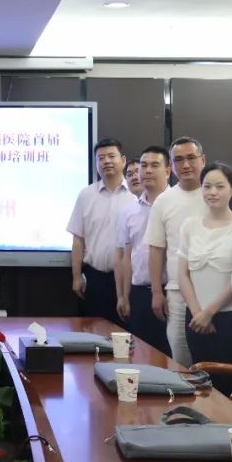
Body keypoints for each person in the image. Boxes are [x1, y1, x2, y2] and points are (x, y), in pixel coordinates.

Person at [147, 136, 232, 368]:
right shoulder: (164, 201)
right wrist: (157, 292)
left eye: (191, 157)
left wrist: (209, 311)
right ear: (171, 166)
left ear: (203, 159)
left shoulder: (220, 193)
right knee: (181, 358)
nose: (186, 164)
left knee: (221, 363)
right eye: (179, 160)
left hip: (223, 297)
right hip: (178, 292)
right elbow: (156, 249)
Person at [178, 162, 232, 394]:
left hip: (228, 319)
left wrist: (209, 312)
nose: (212, 192)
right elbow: (183, 274)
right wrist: (197, 312)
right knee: (199, 384)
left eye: (220, 186)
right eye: (207, 186)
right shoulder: (189, 226)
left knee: (227, 385)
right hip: (194, 318)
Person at [67, 139, 136, 324]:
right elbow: (78, 239)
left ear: (123, 160)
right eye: (101, 158)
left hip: (129, 279)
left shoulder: (136, 195)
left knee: (127, 333)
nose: (106, 161)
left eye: (111, 156)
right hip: (95, 278)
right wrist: (76, 277)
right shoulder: (86, 195)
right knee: (95, 332)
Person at [115, 146, 172, 354]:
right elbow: (127, 257)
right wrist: (124, 296)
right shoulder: (128, 212)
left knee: (169, 356)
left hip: (171, 292)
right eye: (144, 166)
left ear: (168, 171)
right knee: (139, 355)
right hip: (139, 293)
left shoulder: (177, 204)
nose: (147, 170)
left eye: (154, 165)